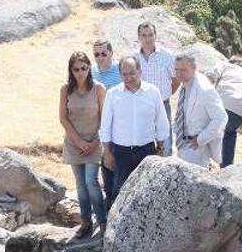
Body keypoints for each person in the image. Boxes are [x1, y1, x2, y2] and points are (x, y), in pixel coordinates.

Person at [100, 56, 169, 198]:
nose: (128, 78)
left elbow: (161, 121)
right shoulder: (113, 94)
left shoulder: (153, 92)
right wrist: (107, 152)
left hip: (146, 151)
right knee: (119, 192)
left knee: (147, 192)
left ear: (140, 71)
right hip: (120, 153)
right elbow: (105, 125)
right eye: (124, 74)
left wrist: (161, 147)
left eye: (132, 73)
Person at [59, 52, 107, 238]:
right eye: (76, 69)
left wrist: (95, 142)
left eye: (84, 68)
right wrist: (78, 141)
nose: (80, 73)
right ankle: (86, 221)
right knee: (80, 184)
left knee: (91, 182)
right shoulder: (65, 89)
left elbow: (105, 118)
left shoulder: (99, 89)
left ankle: (102, 221)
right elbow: (63, 118)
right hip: (74, 143)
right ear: (71, 71)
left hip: (94, 142)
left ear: (89, 68)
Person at [173, 53, 228, 168]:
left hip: (196, 149)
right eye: (176, 69)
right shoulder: (186, 84)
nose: (178, 74)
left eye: (183, 70)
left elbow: (221, 118)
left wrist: (200, 138)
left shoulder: (204, 90)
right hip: (183, 145)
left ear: (194, 68)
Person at [134, 21, 178, 157]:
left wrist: (167, 93)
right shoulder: (134, 57)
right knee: (144, 145)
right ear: (139, 37)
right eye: (144, 35)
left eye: (150, 35)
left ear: (155, 36)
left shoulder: (167, 56)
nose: (147, 39)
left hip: (162, 105)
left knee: (165, 144)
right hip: (140, 105)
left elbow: (176, 78)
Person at [91, 39, 121, 212]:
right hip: (100, 125)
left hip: (120, 125)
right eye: (96, 54)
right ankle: (108, 200)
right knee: (105, 162)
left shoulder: (119, 69)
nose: (100, 57)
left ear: (111, 53)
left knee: (119, 162)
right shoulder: (92, 72)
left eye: (104, 53)